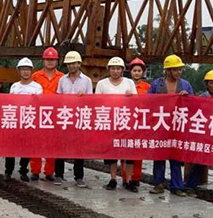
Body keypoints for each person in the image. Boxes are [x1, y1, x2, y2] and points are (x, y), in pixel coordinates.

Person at [149, 55, 193, 196]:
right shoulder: (157, 84)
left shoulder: (185, 85)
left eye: (180, 69)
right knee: (159, 155)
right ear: (168, 70)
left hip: (177, 125)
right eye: (175, 69)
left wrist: (187, 97)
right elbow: (147, 101)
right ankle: (158, 183)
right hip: (160, 124)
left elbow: (193, 104)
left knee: (176, 156)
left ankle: (177, 186)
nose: (179, 72)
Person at [95, 57, 137, 192]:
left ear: (122, 70)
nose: (115, 71)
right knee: (111, 152)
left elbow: (137, 102)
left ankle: (128, 180)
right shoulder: (102, 84)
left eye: (118, 68)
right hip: (109, 122)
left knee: (129, 153)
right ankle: (113, 179)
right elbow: (96, 102)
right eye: (113, 68)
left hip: (126, 122)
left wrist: (131, 96)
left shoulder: (129, 83)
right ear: (109, 69)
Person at [184, 70, 213, 195]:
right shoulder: (201, 98)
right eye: (211, 83)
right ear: (207, 84)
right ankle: (191, 184)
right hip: (204, 135)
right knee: (200, 161)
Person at [54, 51, 92, 188]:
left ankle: (79, 177)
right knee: (60, 146)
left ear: (79, 64)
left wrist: (84, 97)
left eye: (73, 63)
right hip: (65, 117)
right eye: (68, 64)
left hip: (79, 117)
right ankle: (58, 174)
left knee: (79, 148)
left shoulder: (87, 81)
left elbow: (91, 100)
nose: (71, 66)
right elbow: (58, 98)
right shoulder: (62, 80)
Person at [4, 58, 42, 182]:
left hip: (29, 121)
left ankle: (23, 171)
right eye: (23, 69)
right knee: (10, 148)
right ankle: (8, 171)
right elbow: (10, 103)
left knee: (26, 148)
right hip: (15, 121)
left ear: (31, 71)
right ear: (19, 71)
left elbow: (38, 104)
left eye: (28, 69)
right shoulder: (14, 86)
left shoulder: (37, 87)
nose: (25, 72)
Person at [30, 47, 63, 181]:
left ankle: (49, 171)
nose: (50, 62)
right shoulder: (35, 76)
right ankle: (35, 170)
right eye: (47, 59)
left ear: (57, 61)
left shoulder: (62, 77)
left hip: (54, 115)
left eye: (52, 59)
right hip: (38, 114)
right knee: (36, 143)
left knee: (52, 143)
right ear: (43, 60)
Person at [121, 58, 151, 187]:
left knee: (138, 151)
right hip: (127, 121)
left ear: (143, 72)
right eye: (134, 70)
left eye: (139, 71)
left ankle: (136, 178)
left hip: (141, 122)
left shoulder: (147, 87)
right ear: (130, 72)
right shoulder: (124, 84)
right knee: (124, 150)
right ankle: (125, 177)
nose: (137, 73)